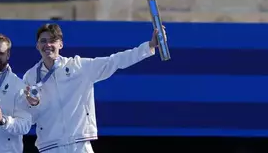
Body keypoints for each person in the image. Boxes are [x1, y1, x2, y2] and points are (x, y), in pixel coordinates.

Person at [22, 23, 166, 153]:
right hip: (49, 146)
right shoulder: (30, 76)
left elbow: (115, 61)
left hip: (79, 144)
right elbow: (29, 118)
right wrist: (33, 104)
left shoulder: (78, 67)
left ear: (61, 44)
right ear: (37, 46)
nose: (47, 45)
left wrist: (150, 46)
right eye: (43, 41)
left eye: (52, 41)